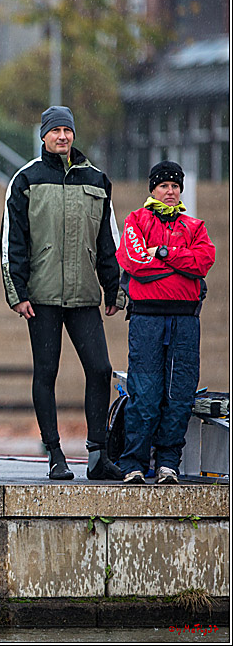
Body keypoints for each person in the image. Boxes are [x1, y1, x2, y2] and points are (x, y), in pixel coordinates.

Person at [1, 106, 125, 481]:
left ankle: (97, 455)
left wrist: (113, 289)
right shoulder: (26, 179)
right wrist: (17, 292)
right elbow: (13, 242)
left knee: (101, 370)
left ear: (73, 135)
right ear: (43, 136)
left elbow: (109, 239)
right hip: (40, 297)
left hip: (85, 295)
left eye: (67, 130)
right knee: (46, 372)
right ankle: (55, 453)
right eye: (55, 131)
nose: (62, 137)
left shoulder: (98, 180)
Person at [115, 161, 215, 484]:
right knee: (144, 394)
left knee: (179, 395)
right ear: (152, 189)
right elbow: (134, 262)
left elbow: (203, 261)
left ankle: (168, 462)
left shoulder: (195, 226)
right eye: (164, 186)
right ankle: (133, 461)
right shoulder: (136, 220)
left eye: (175, 186)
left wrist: (163, 254)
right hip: (146, 321)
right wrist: (178, 267)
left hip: (185, 322)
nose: (170, 191)